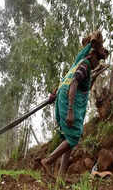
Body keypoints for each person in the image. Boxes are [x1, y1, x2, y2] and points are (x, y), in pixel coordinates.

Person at [41, 31, 109, 178]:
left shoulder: (79, 65)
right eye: (98, 59)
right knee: (74, 137)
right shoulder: (84, 65)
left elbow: (83, 88)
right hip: (67, 100)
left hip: (62, 97)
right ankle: (48, 161)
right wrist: (71, 110)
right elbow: (74, 83)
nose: (98, 63)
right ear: (91, 55)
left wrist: (96, 75)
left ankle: (60, 176)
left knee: (69, 138)